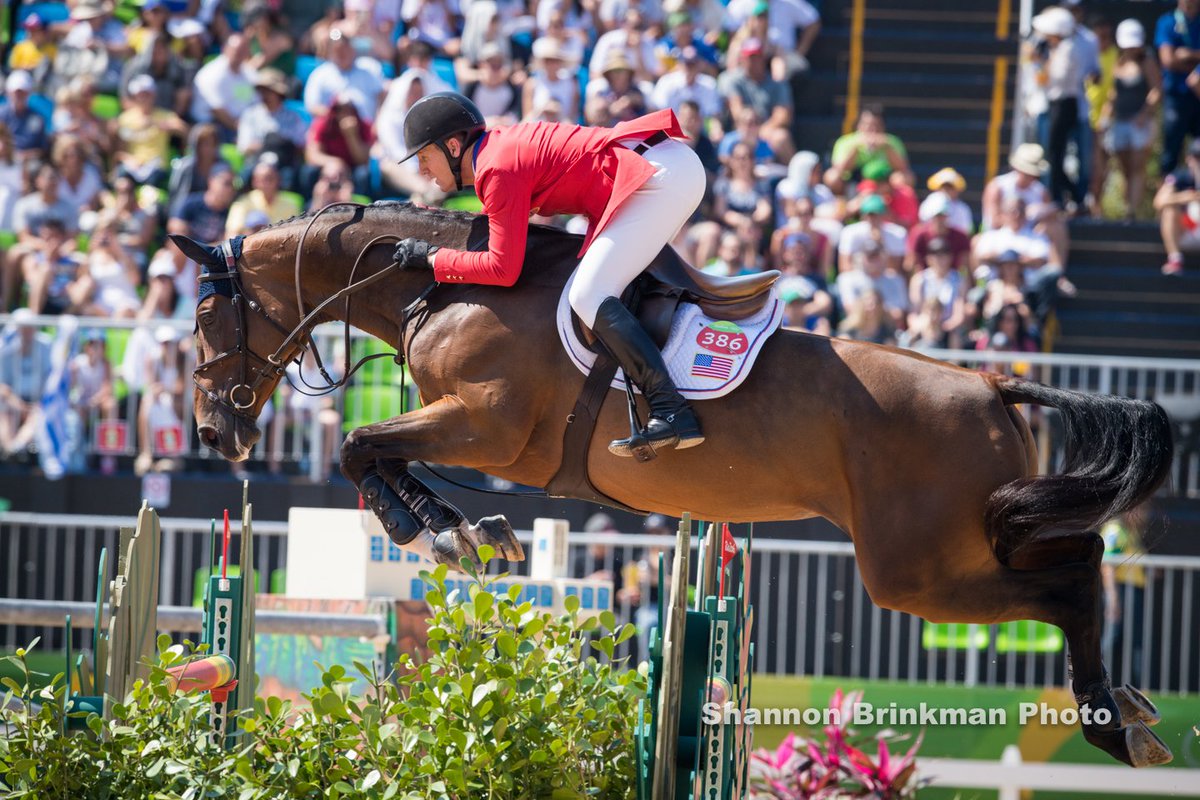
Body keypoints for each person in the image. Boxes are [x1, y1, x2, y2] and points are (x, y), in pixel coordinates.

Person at [392, 92, 705, 456]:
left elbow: (502, 269)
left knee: (589, 293)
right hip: (661, 165)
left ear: (451, 145)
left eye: (424, 157)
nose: (422, 170)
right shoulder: (496, 154)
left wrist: (433, 258)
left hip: (659, 176)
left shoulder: (495, 167)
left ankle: (670, 408)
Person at [1101, 19, 1160, 221]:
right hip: (1120, 122)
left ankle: (1132, 211)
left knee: (1137, 165)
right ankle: (1128, 206)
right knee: (1124, 166)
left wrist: (1144, 114)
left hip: (1139, 122)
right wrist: (1105, 116)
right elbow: (1113, 94)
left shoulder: (1147, 62)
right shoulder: (1118, 61)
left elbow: (1156, 90)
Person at [1155, 0, 1200, 178]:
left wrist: (1188, 54)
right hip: (1176, 97)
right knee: (1170, 152)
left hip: (1198, 97)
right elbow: (1168, 60)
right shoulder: (1167, 22)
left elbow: (1177, 58)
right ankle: (1166, 199)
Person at [1155, 138, 1200, 275]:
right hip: (1186, 230)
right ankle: (1175, 259)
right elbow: (1159, 201)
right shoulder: (1180, 177)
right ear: (1189, 159)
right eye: (1198, 157)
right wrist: (1184, 197)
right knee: (1169, 210)